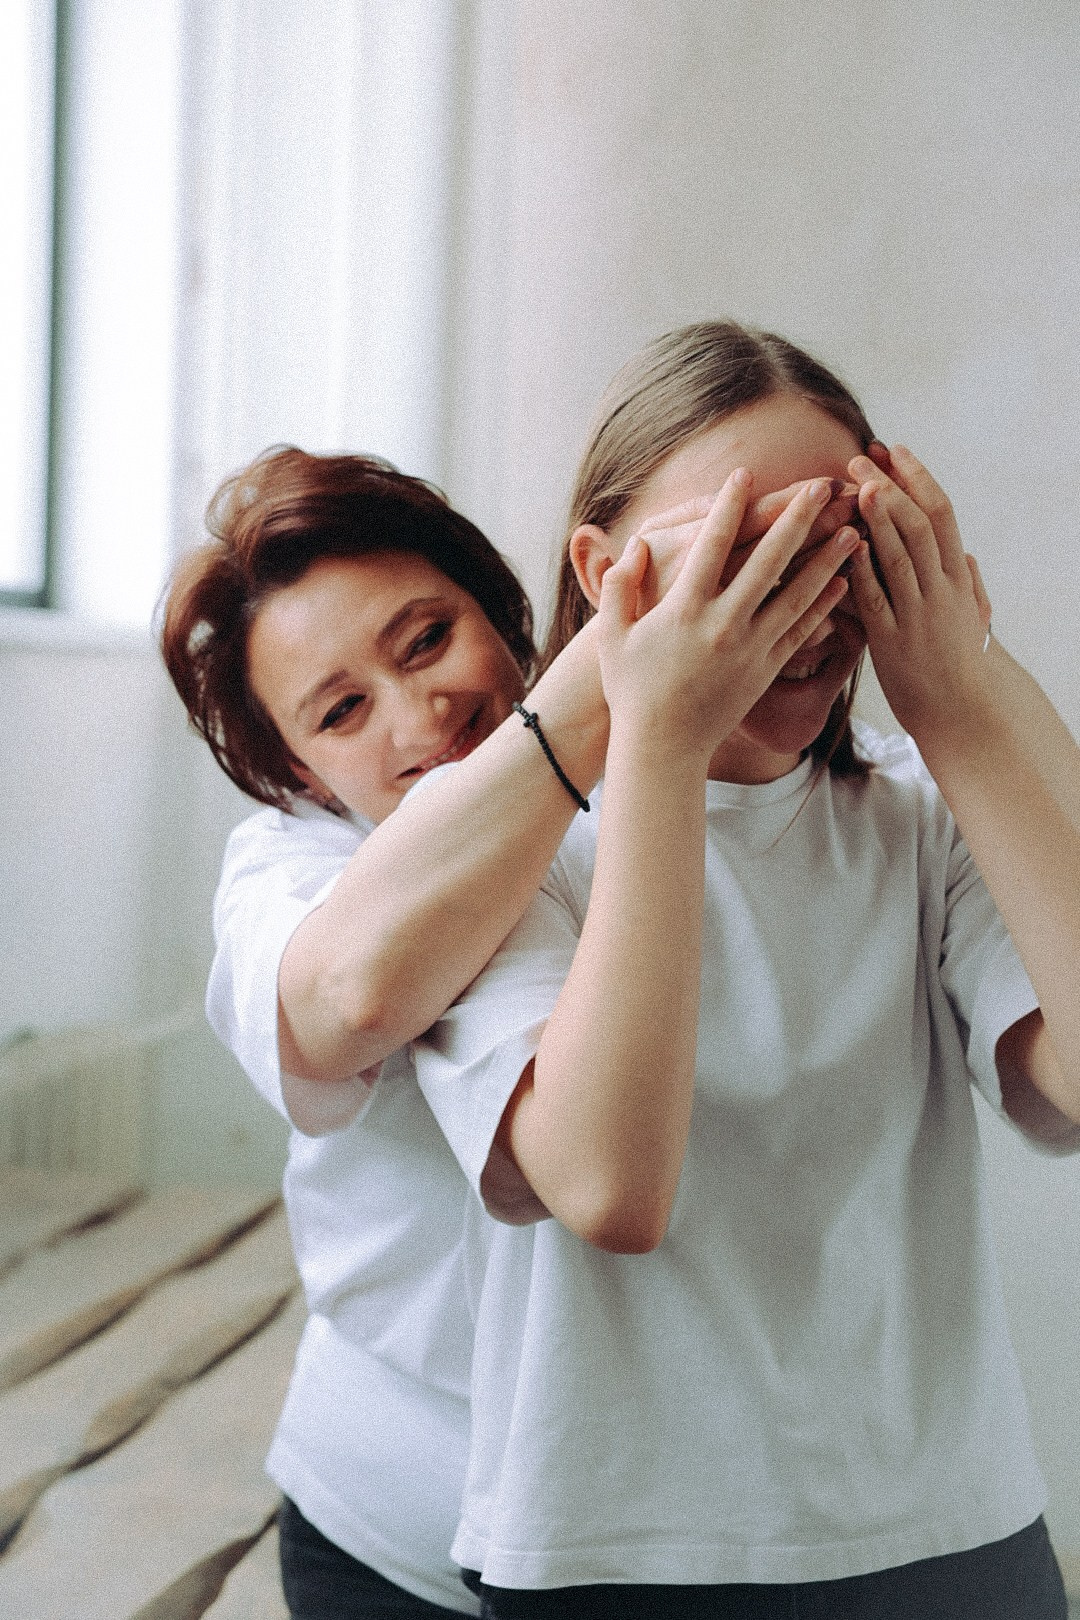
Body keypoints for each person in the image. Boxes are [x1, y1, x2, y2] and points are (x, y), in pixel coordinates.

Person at [412, 321, 1080, 1618]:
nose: (801, 604)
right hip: (615, 1549)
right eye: (743, 551)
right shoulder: (504, 847)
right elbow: (607, 1185)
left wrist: (962, 704)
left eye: (838, 545)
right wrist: (656, 737)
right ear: (604, 570)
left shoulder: (918, 812)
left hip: (947, 1527)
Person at [158, 443, 854, 1619]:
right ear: (297, 769)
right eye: (340, 711)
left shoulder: (700, 791)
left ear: (503, 605)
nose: (418, 713)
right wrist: (621, 656)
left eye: (427, 638)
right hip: (395, 1532)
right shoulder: (293, 871)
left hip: (670, 1537)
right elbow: (355, 1001)